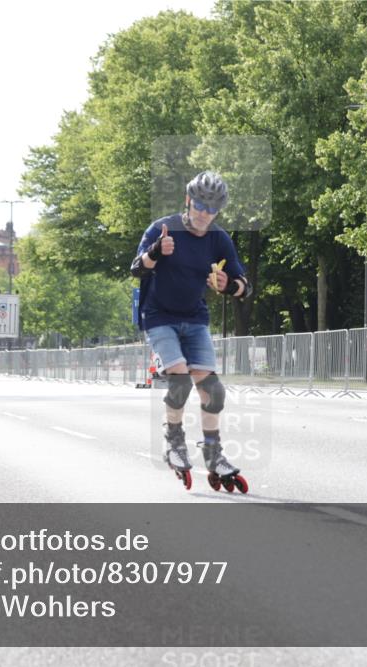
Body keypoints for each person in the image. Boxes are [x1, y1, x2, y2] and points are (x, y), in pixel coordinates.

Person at [130, 171, 252, 493]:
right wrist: (156, 252)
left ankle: (214, 454)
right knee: (181, 380)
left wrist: (231, 287)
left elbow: (244, 285)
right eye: (199, 205)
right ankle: (174, 443)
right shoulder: (163, 229)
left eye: (211, 210)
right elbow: (136, 269)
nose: (203, 214)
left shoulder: (218, 239)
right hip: (159, 316)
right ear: (188, 200)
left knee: (214, 390)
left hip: (194, 318)